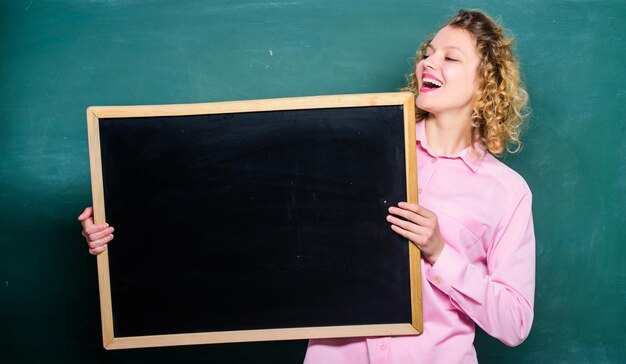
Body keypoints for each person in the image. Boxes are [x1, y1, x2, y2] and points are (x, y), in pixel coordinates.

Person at [80, 9, 535, 363]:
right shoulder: (357, 146)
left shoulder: (505, 191)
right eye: (427, 52)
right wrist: (122, 220)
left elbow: (514, 323)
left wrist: (440, 252)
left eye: (449, 57)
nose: (427, 62)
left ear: (486, 82)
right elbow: (234, 212)